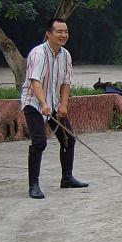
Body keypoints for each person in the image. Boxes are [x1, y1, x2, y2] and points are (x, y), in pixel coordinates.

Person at [20, 18, 88, 199]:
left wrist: (63, 105)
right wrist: (43, 104)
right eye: (59, 31)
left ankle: (67, 178)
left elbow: (66, 82)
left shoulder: (65, 55)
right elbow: (35, 81)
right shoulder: (38, 53)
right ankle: (33, 184)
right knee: (39, 142)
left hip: (54, 103)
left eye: (66, 31)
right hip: (34, 103)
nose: (63, 35)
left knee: (68, 139)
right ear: (48, 34)